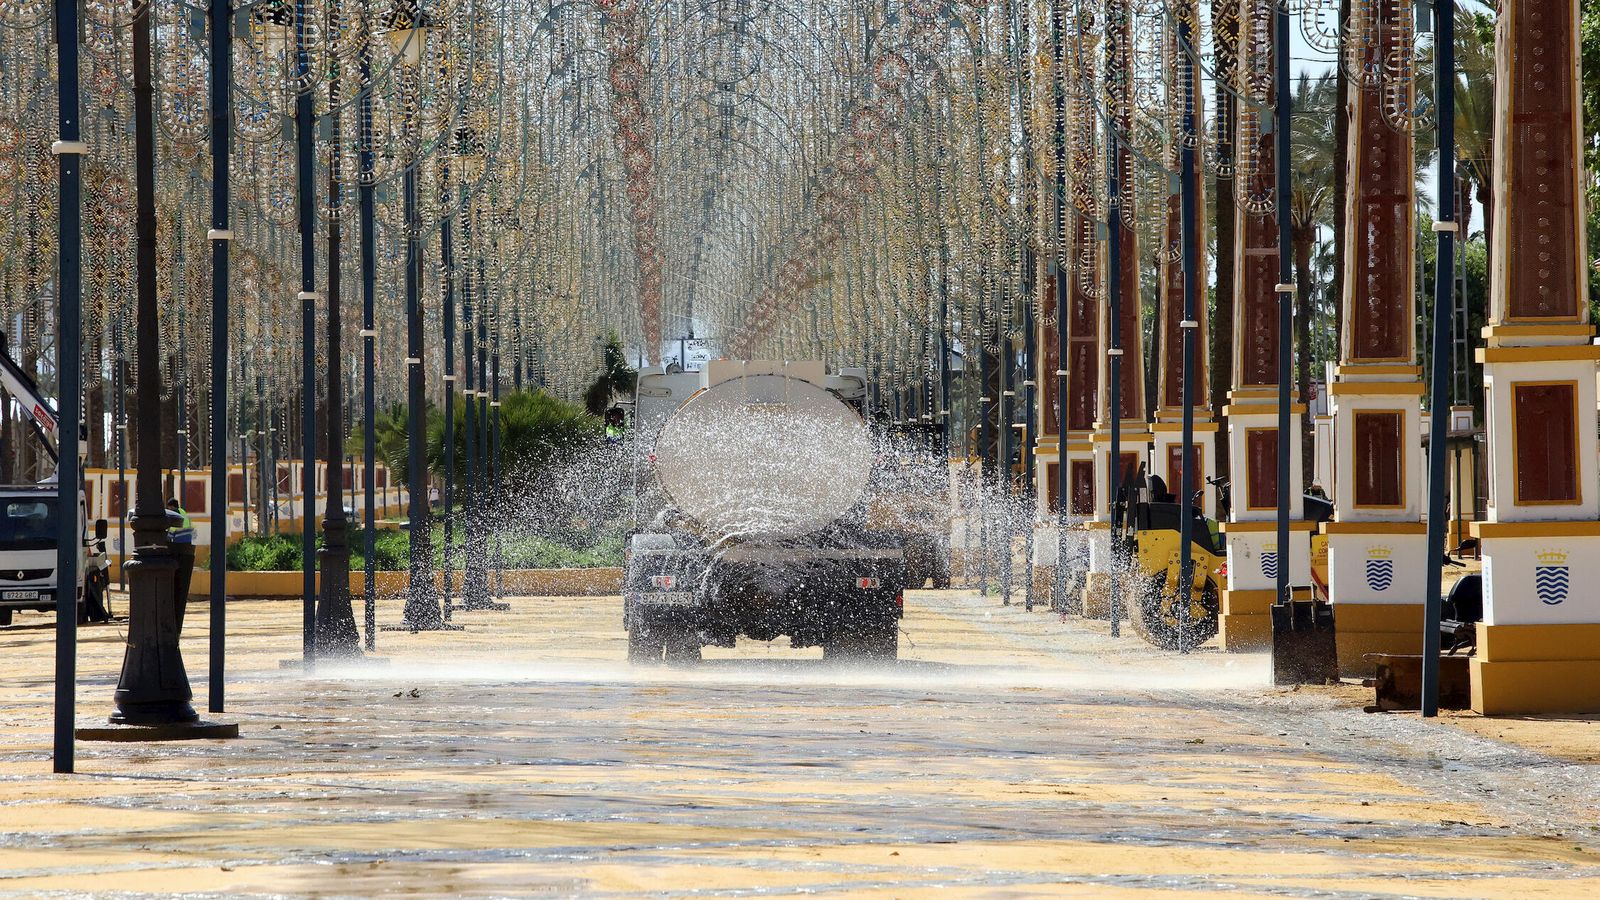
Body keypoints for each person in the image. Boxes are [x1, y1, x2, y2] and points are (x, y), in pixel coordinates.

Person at [167, 498, 196, 630]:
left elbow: (170, 533)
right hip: (187, 548)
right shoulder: (184, 512)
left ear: (172, 507)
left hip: (177, 549)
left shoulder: (175, 517)